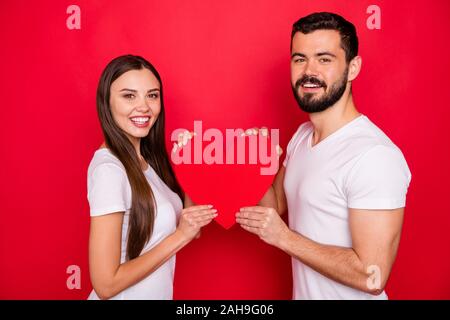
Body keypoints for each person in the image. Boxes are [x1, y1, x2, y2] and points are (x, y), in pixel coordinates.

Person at [236, 12, 411, 299]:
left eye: (324, 59)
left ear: (353, 67)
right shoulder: (302, 137)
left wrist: (284, 238)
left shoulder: (374, 156)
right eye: (299, 59)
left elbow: (372, 276)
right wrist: (253, 161)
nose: (309, 71)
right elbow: (277, 204)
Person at [87, 54, 217, 300]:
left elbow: (191, 228)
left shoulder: (147, 162)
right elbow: (105, 285)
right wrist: (180, 237)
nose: (144, 106)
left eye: (152, 95)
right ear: (107, 102)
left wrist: (190, 165)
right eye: (129, 96)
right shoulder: (110, 170)